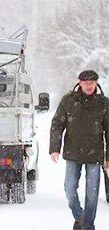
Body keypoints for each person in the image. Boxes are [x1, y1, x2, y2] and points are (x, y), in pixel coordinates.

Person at [49, 70, 109, 230]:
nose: (89, 86)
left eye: (92, 83)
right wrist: (54, 148)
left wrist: (108, 157)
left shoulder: (104, 103)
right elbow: (57, 125)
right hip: (73, 152)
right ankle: (80, 217)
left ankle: (88, 226)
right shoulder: (68, 100)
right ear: (79, 82)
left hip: (95, 154)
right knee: (69, 189)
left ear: (96, 83)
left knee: (92, 193)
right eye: (86, 82)